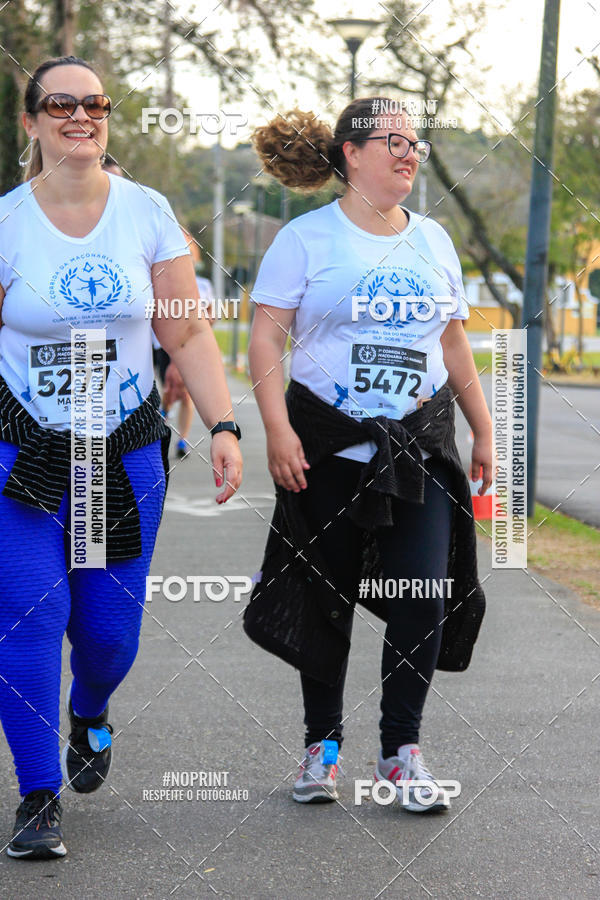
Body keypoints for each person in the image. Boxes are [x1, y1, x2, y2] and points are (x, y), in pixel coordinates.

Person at [0, 56, 242, 859]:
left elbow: (186, 331)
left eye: (94, 103)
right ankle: (38, 796)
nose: (80, 115)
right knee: (33, 619)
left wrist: (224, 424)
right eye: (60, 104)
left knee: (106, 637)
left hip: (114, 460)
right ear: (30, 120)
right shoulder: (7, 223)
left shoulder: (146, 212)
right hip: (22, 458)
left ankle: (92, 711)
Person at [245, 101, 492, 812]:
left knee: (424, 599)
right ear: (351, 153)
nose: (409, 155)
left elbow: (452, 345)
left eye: (415, 144)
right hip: (325, 444)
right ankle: (321, 747)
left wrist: (484, 431)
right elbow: (266, 341)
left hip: (419, 445)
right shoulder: (305, 239)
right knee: (326, 602)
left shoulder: (435, 240)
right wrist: (276, 430)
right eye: (394, 142)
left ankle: (400, 753)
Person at [157, 236, 216, 458]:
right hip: (164, 346)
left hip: (192, 346)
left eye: (190, 254)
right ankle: (163, 415)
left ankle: (183, 439)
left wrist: (200, 323)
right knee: (169, 388)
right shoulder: (163, 280)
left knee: (187, 393)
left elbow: (212, 315)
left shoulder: (204, 285)